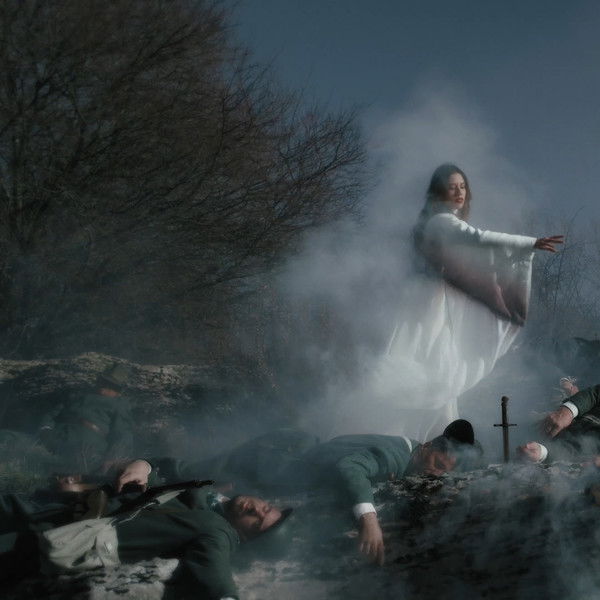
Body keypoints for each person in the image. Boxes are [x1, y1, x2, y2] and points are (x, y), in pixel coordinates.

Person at [118, 419, 483, 566]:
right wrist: (368, 519)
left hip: (286, 463)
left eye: (443, 471)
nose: (435, 473)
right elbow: (349, 469)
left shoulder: (406, 456)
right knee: (201, 473)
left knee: (208, 486)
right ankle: (140, 466)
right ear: (427, 445)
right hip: (276, 459)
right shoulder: (394, 454)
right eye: (437, 463)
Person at [371, 164, 563, 440]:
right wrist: (530, 243)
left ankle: (433, 437)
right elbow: (479, 239)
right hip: (426, 306)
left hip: (435, 305)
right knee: (426, 363)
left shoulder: (441, 223)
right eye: (452, 187)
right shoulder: (440, 221)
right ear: (439, 191)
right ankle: (402, 434)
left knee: (439, 367)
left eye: (462, 186)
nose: (459, 192)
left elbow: (472, 253)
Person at [0, 478, 289, 600]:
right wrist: (143, 464)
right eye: (265, 508)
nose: (255, 509)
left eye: (257, 522)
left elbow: (214, 571)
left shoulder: (219, 530)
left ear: (244, 537)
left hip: (52, 541)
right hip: (64, 513)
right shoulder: (210, 497)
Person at [38, 363, 134, 472]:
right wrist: (45, 430)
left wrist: (112, 458)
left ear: (118, 390)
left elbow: (123, 435)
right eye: (103, 381)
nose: (104, 387)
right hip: (57, 439)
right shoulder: (78, 395)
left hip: (87, 450)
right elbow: (53, 415)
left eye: (111, 385)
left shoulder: (119, 406)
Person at [519, 383, 600, 463]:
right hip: (567, 416)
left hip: (564, 450)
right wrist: (568, 411)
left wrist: (544, 453)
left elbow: (575, 451)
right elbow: (596, 393)